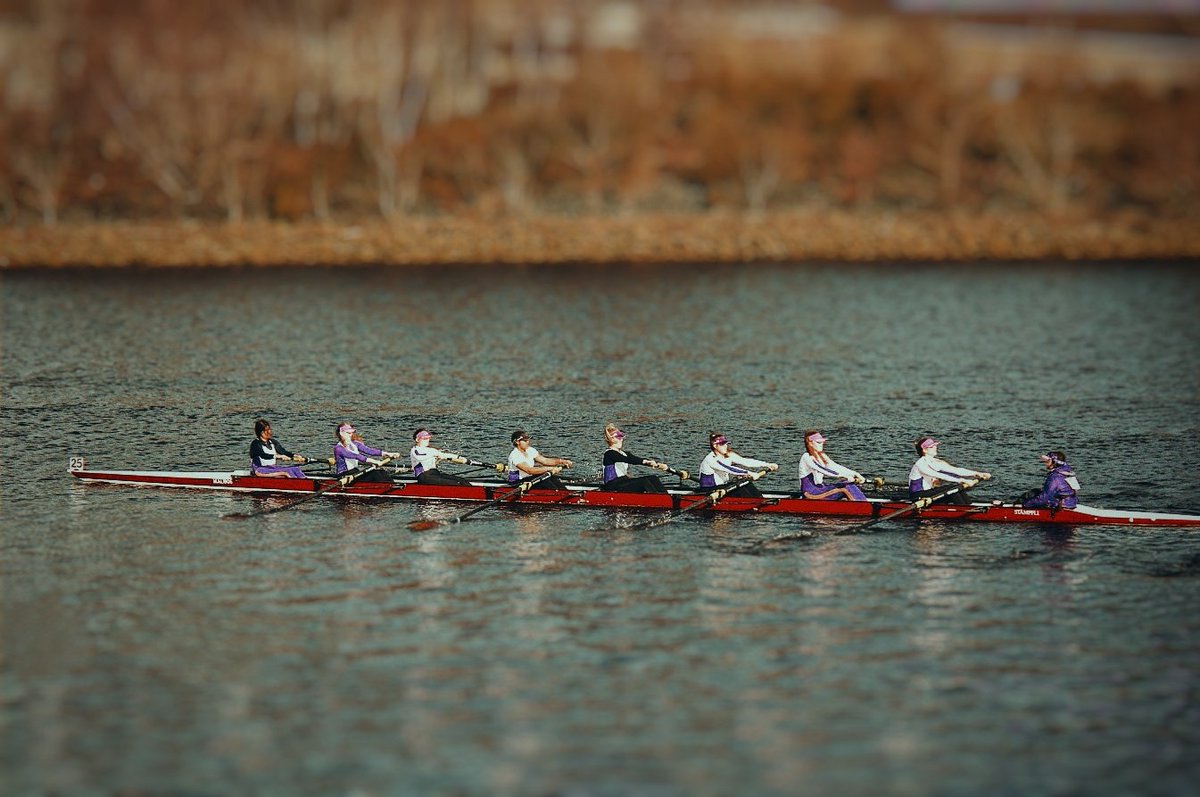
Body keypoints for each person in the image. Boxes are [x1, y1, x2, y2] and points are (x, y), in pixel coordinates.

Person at [908, 437, 991, 505]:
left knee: (956, 489)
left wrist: (978, 473)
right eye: (932, 446)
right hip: (918, 495)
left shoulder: (936, 462)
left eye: (935, 446)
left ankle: (968, 506)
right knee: (953, 489)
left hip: (929, 493)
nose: (935, 448)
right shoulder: (920, 464)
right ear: (925, 450)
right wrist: (962, 480)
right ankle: (965, 511)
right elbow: (940, 475)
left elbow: (957, 470)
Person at [699, 431, 778, 499]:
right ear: (715, 446)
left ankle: (760, 500)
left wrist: (767, 464)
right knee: (739, 488)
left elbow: (745, 461)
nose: (726, 446)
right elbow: (730, 469)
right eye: (722, 444)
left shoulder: (728, 454)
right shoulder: (710, 459)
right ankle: (754, 505)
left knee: (746, 483)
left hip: (722, 487)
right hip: (708, 490)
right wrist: (749, 473)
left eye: (726, 443)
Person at [798, 430, 867, 500]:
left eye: (822, 442)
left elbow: (835, 466)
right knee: (846, 486)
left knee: (848, 484)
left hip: (821, 488)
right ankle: (863, 507)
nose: (821, 444)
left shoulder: (822, 456)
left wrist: (855, 474)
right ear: (810, 443)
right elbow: (822, 469)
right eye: (818, 442)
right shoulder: (806, 457)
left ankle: (863, 503)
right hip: (811, 493)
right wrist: (843, 476)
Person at [600, 423, 670, 493]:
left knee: (653, 478)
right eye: (619, 436)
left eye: (622, 436)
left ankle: (666, 497)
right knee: (644, 482)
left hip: (623, 482)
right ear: (612, 438)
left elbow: (636, 459)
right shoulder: (609, 454)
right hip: (612, 485)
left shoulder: (624, 453)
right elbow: (628, 460)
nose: (622, 439)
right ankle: (659, 500)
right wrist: (645, 462)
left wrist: (650, 462)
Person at [333, 423, 401, 483]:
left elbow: (370, 451)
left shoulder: (355, 444)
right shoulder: (338, 448)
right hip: (344, 475)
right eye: (348, 433)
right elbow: (356, 456)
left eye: (352, 433)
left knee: (381, 471)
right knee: (375, 474)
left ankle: (393, 486)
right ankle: (392, 489)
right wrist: (375, 461)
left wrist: (389, 454)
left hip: (355, 472)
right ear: (341, 433)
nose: (351, 435)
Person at [507, 429, 572, 490]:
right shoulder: (515, 455)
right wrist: (551, 469)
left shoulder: (530, 450)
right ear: (517, 442)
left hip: (528, 479)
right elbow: (529, 470)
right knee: (545, 481)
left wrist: (562, 461)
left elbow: (545, 461)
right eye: (525, 440)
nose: (528, 442)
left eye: (528, 440)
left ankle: (565, 492)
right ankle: (558, 495)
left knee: (551, 478)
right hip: (516, 483)